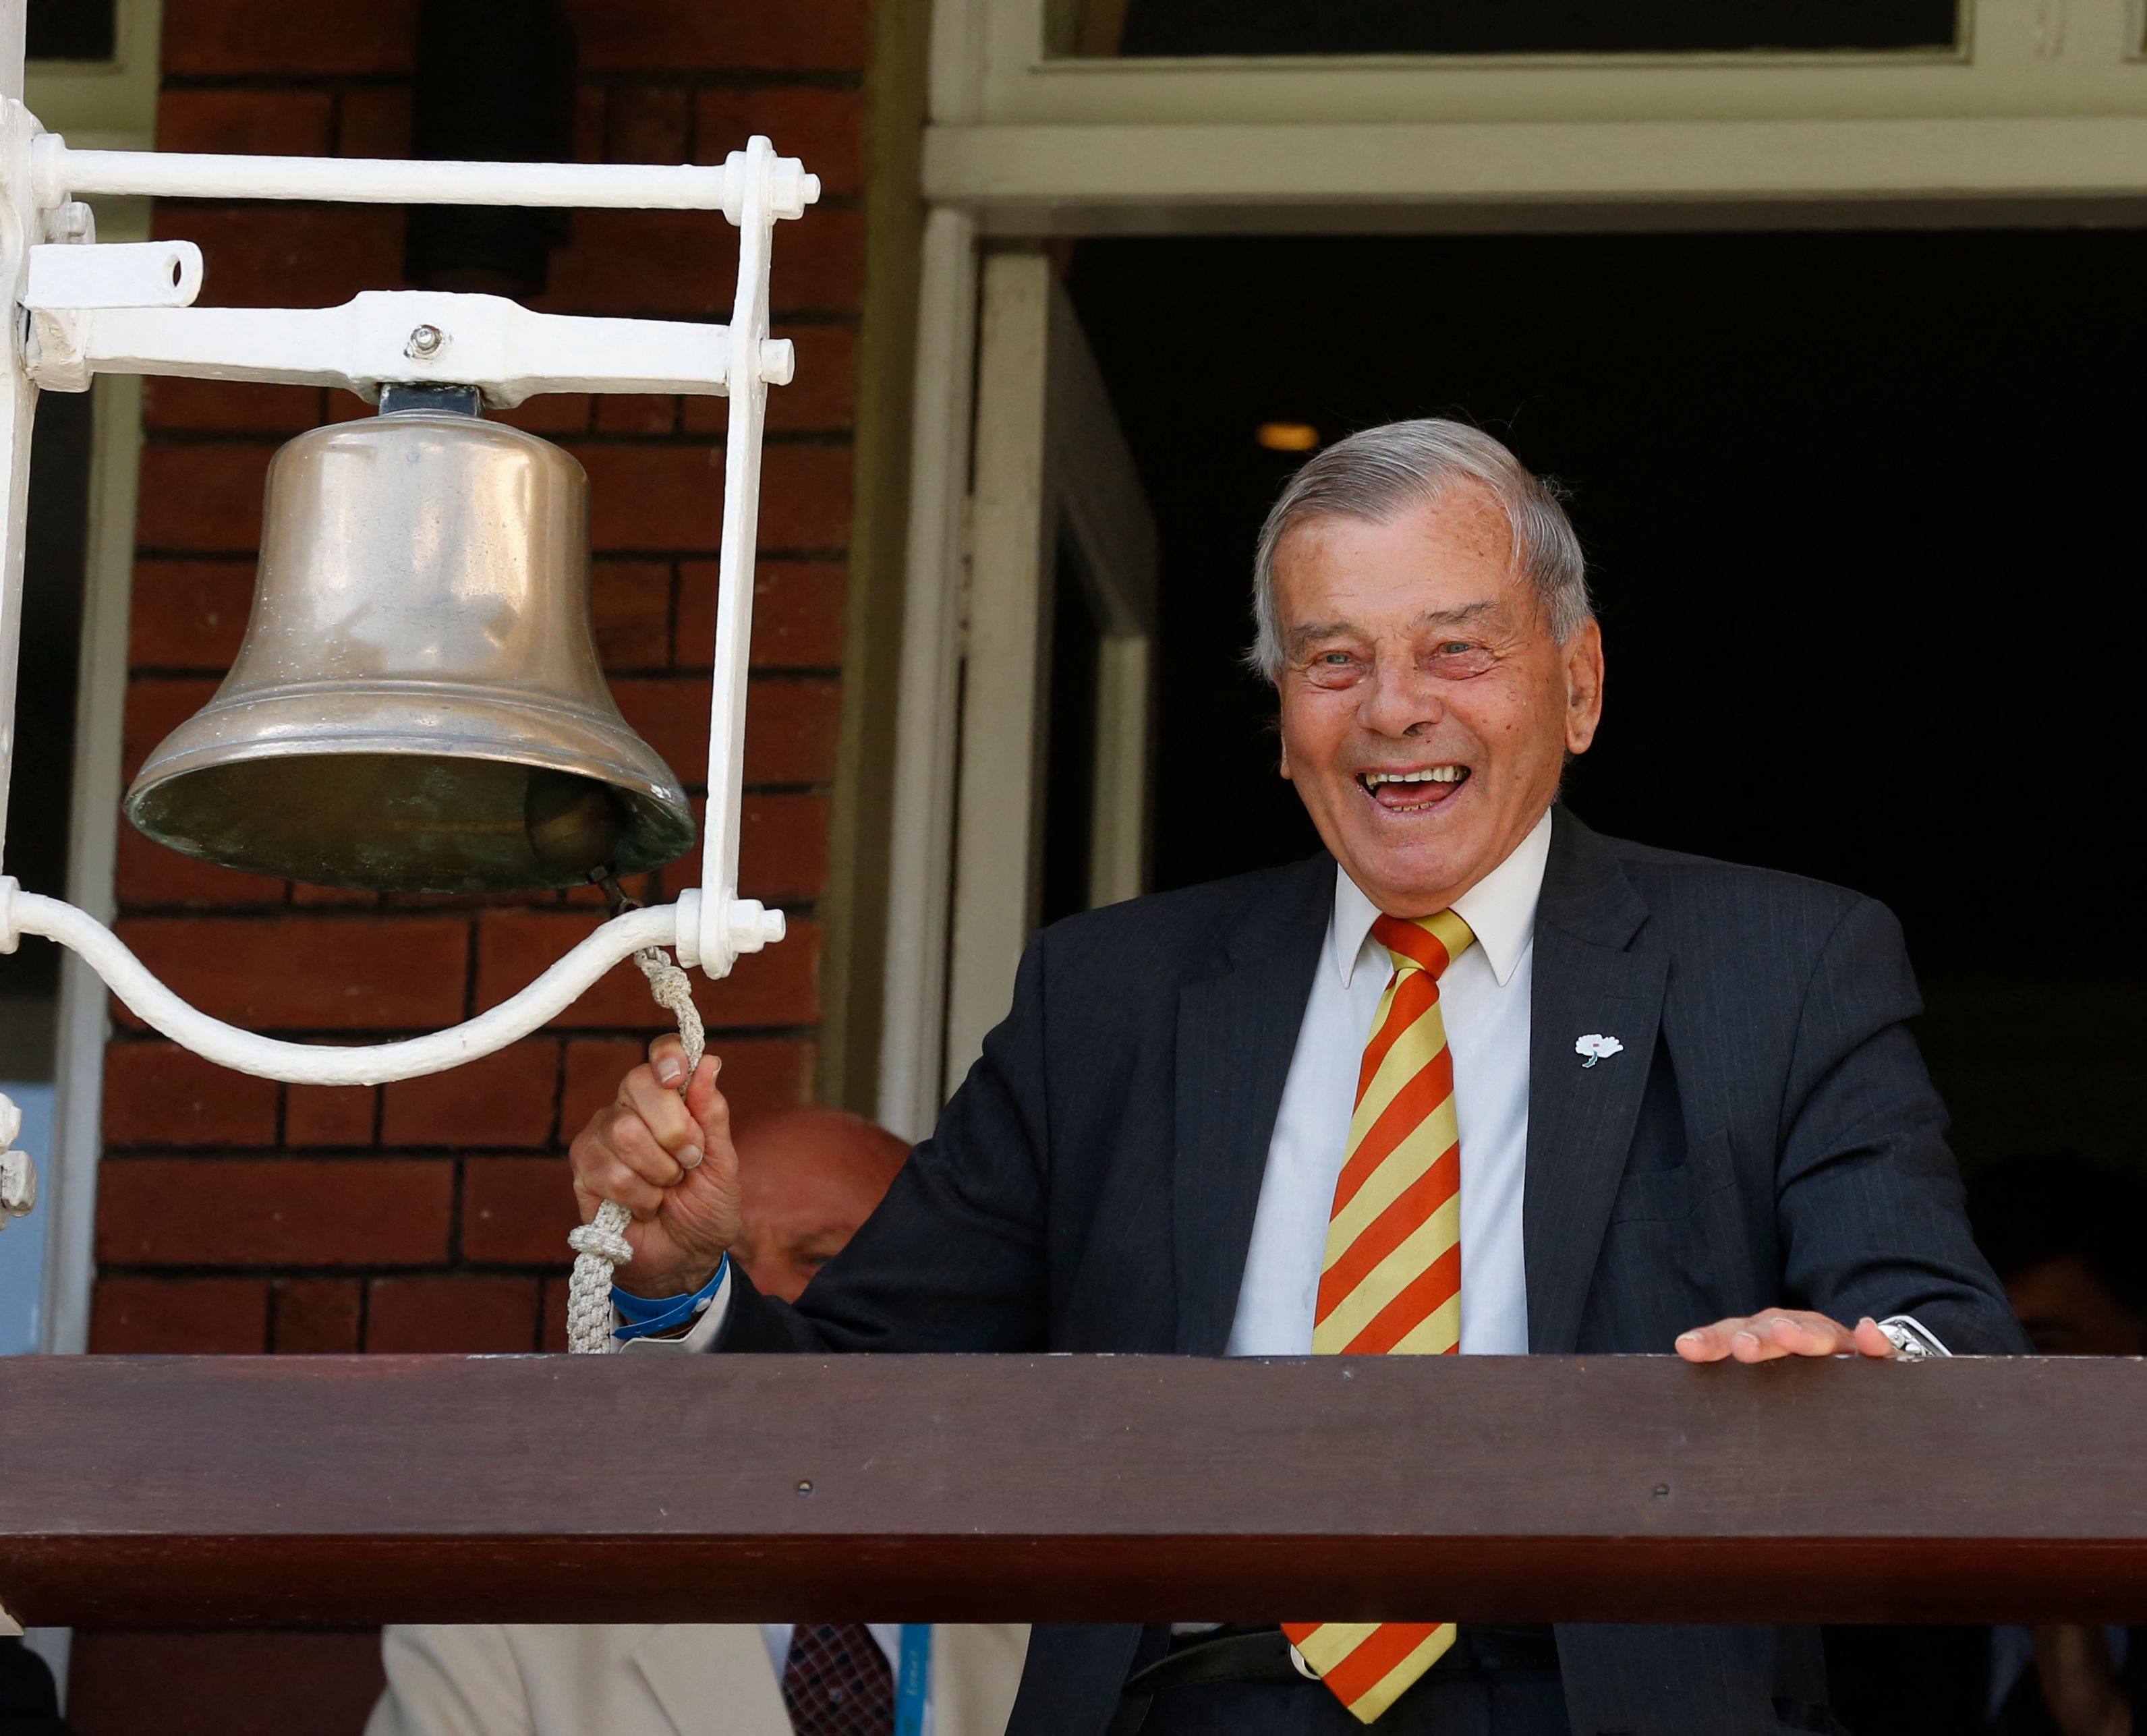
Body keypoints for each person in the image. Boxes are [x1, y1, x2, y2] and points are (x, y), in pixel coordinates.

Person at [572, 419, 2025, 1735]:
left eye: (1456, 649)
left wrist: (1853, 1379)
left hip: (1592, 1697)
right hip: (1187, 1699)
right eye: (1332, 659)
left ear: (1576, 686)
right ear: (1282, 719)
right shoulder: (1110, 999)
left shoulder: (1778, 964)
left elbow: (1944, 1335)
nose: (1391, 709)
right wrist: (686, 1287)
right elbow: (862, 1411)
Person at [368, 1107, 1027, 1736]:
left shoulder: (1057, 1591)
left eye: (821, 1261)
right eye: (726, 1262)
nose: (764, 1293)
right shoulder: (508, 1610)